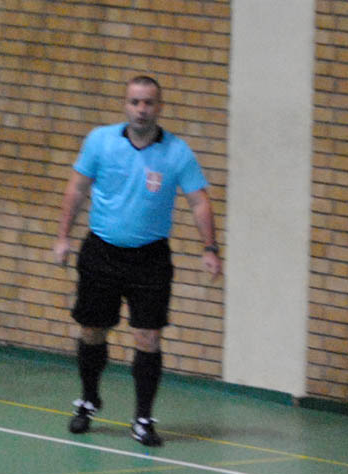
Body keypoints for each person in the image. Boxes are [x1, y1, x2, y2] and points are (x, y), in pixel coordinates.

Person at [53, 75, 222, 447]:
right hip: (101, 251)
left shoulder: (177, 152)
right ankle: (88, 400)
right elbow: (77, 188)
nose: (141, 109)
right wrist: (63, 237)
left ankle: (143, 418)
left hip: (150, 258)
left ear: (159, 107)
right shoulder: (100, 141)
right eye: (135, 102)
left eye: (148, 103)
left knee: (148, 337)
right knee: (93, 330)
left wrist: (210, 248)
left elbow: (199, 201)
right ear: (125, 105)